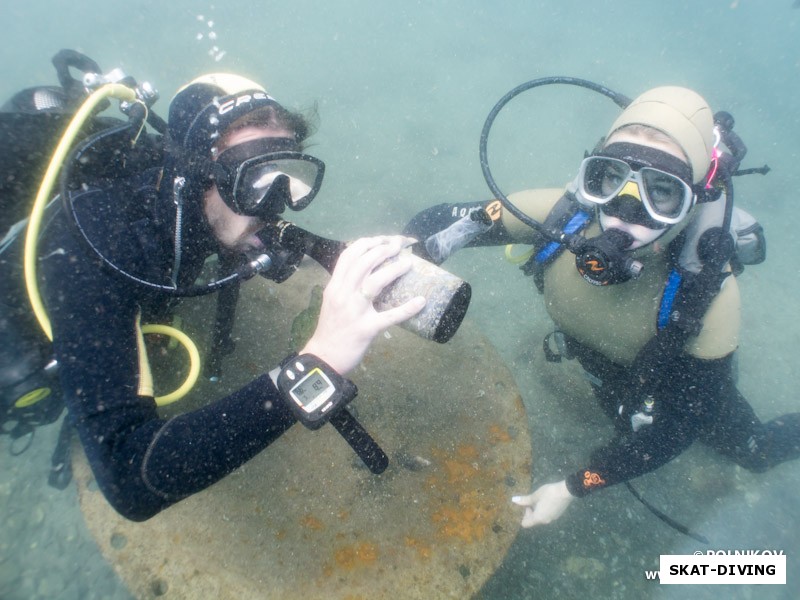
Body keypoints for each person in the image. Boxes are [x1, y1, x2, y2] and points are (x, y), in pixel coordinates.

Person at [5, 68, 426, 521]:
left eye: (288, 174)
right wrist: (319, 362)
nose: (277, 201)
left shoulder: (191, 200)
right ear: (197, 174)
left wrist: (361, 258)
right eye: (255, 179)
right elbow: (130, 480)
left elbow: (265, 233)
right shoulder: (97, 245)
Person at [404, 86, 800, 528]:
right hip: (600, 365)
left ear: (694, 199)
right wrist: (407, 249)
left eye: (662, 190)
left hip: (675, 380)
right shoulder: (559, 215)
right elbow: (447, 221)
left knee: (754, 451)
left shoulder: (708, 295)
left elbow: (681, 428)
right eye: (613, 178)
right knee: (621, 423)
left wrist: (577, 484)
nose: (626, 210)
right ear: (593, 172)